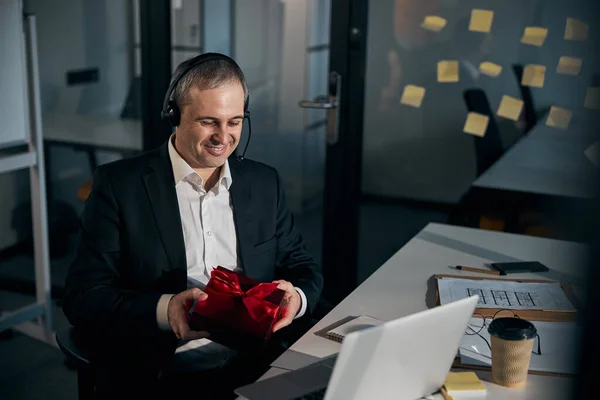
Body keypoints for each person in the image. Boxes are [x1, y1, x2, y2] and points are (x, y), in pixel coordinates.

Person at [62, 53, 323, 399]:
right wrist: (165, 309)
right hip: (160, 374)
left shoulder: (264, 183)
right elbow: (83, 297)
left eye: (234, 122)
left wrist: (297, 299)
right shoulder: (119, 186)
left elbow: (303, 267)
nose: (223, 137)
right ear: (174, 114)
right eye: (208, 121)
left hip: (256, 364)